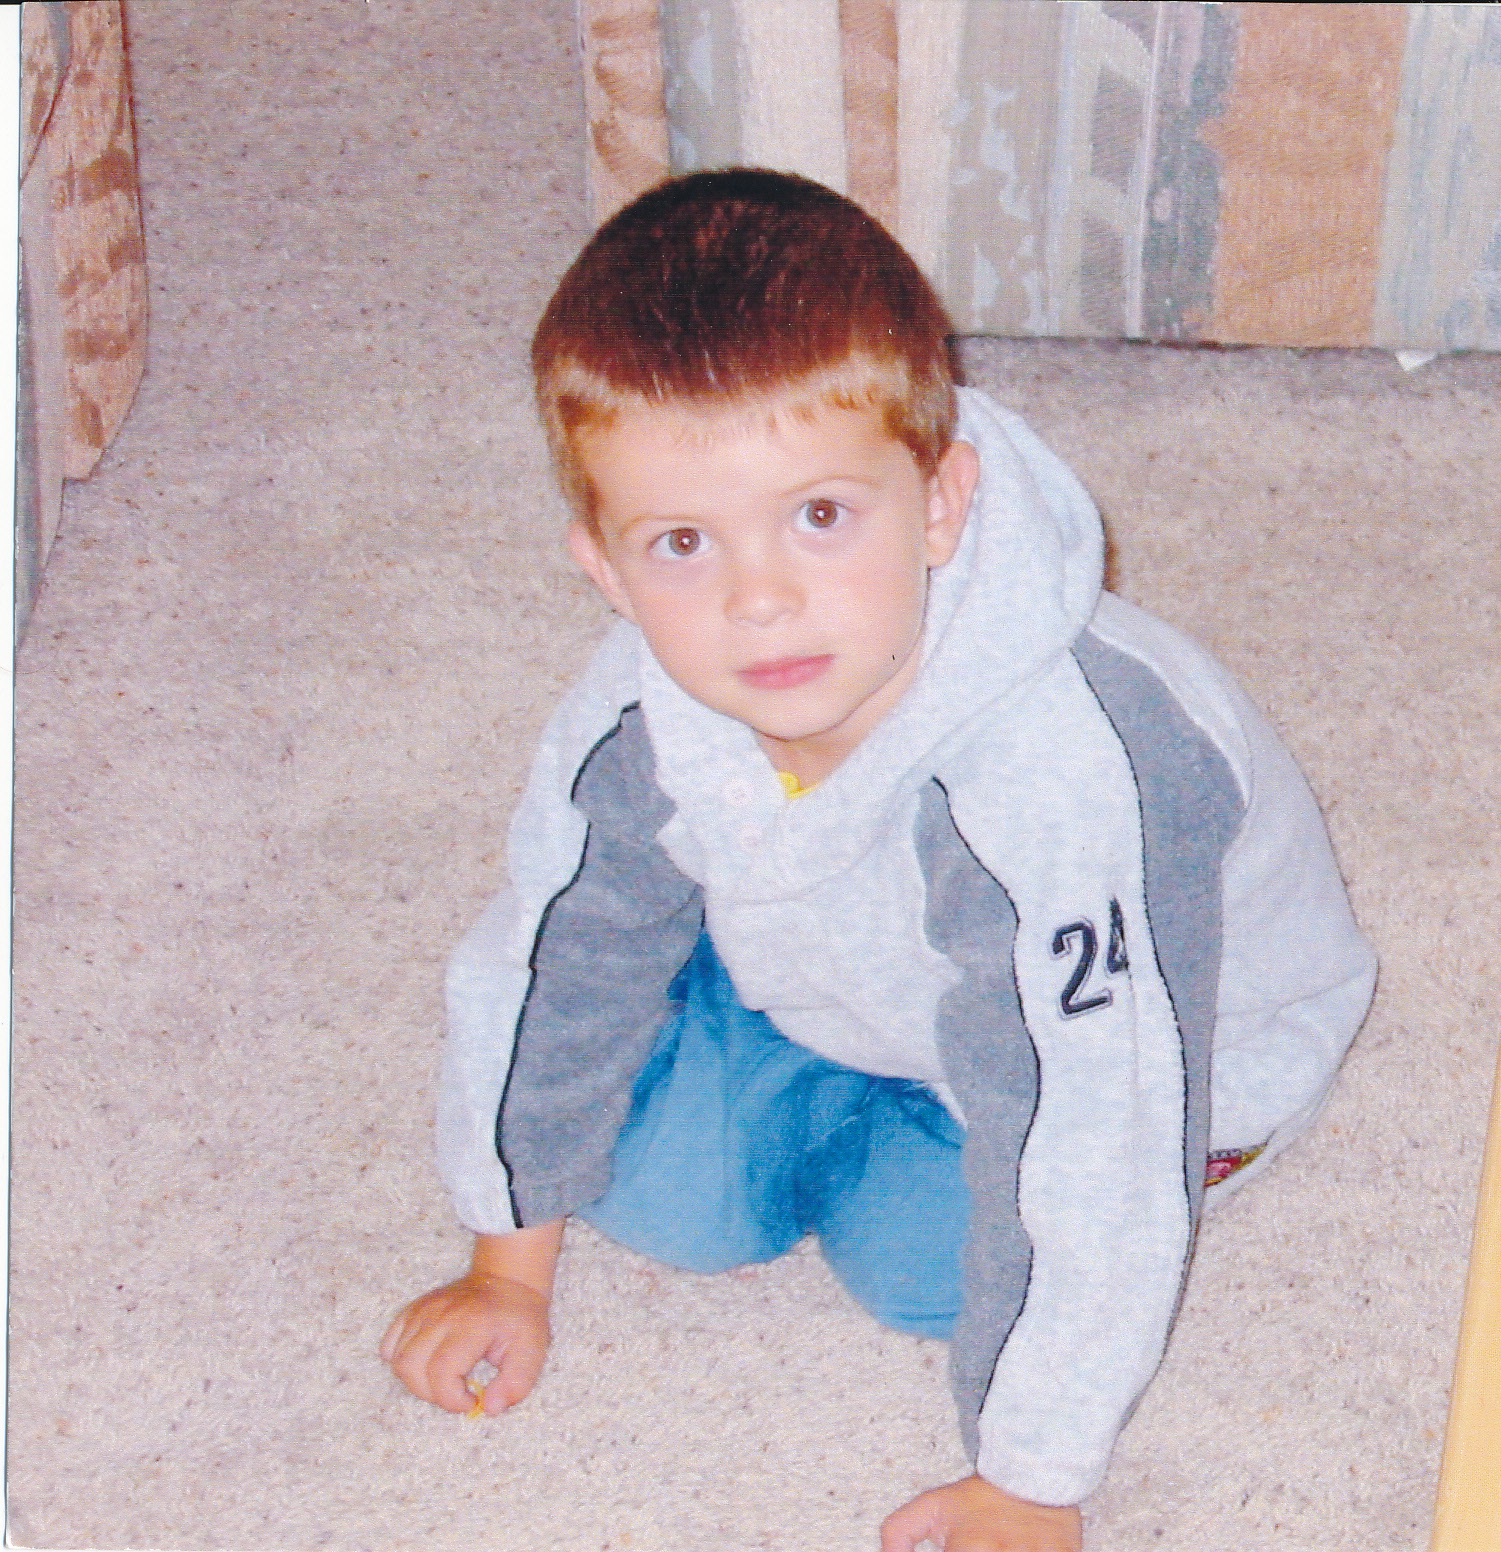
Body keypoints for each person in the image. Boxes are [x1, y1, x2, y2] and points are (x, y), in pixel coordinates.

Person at [379, 167, 1378, 1551]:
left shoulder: (1066, 772)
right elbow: (556, 946)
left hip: (1154, 1044)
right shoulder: (638, 705)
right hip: (855, 963)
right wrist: (507, 1260)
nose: (760, 599)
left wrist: (1031, 1478)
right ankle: (826, 1074)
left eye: (822, 516)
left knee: (920, 1266)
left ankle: (886, 1126)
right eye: (682, 543)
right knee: (659, 1197)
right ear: (604, 568)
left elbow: (1098, 1116)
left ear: (942, 501)